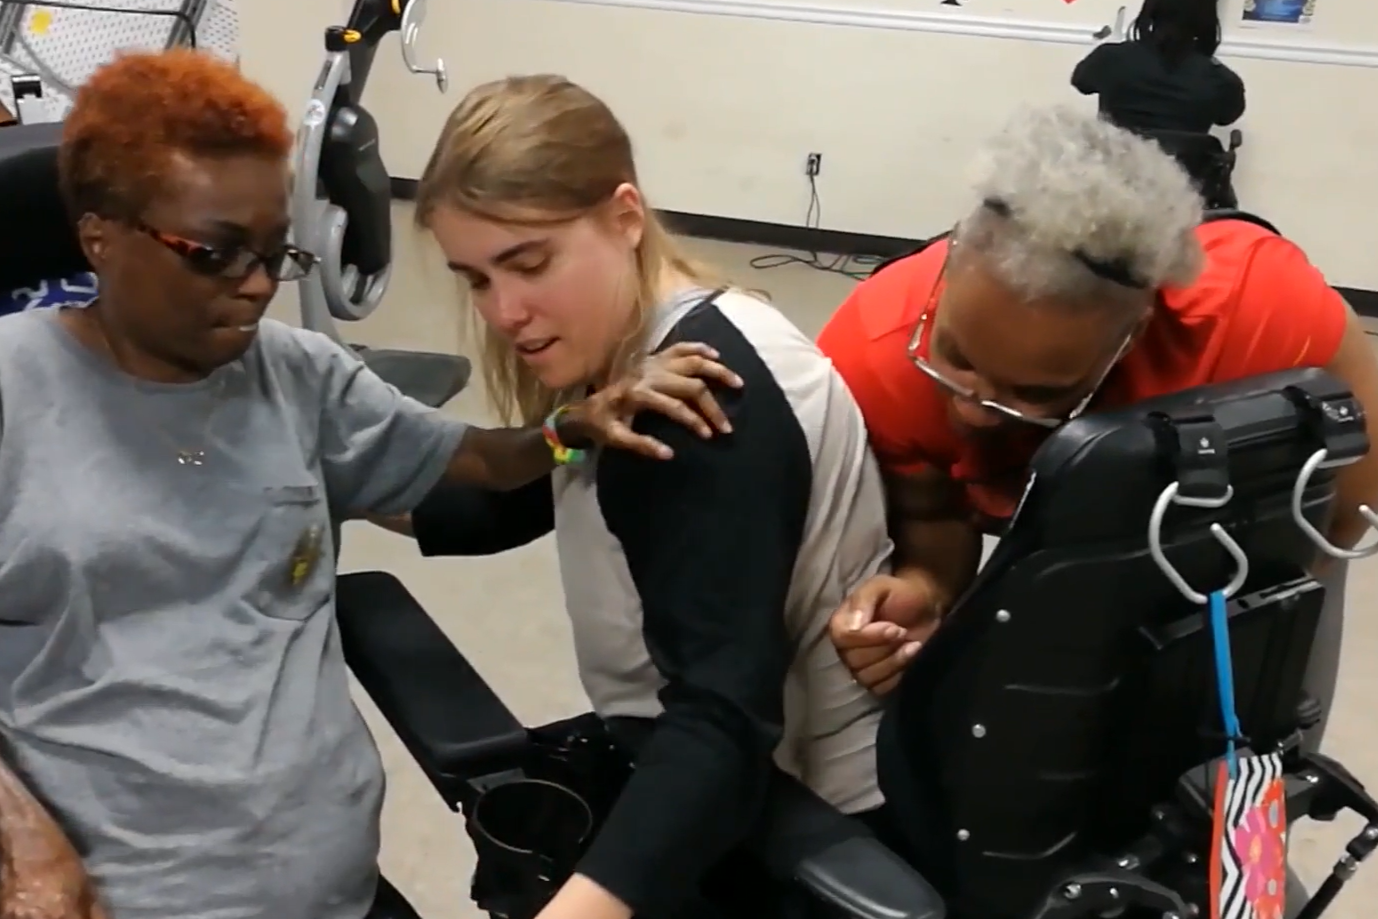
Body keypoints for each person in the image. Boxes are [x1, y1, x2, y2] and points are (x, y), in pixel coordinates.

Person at [0, 51, 741, 919]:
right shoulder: (15, 393)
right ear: (100, 237)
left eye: (273, 253)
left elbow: (475, 466)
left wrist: (570, 430)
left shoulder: (296, 374)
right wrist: (20, 838)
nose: (252, 285)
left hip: (330, 892)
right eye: (213, 252)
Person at [404, 74, 894, 919]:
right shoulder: (661, 353)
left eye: (529, 263)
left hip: (787, 824)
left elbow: (724, 727)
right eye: (475, 280)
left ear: (624, 216)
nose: (505, 312)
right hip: (722, 771)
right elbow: (523, 494)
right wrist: (329, 474)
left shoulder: (696, 404)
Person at [818, 105, 1378, 735]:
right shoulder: (876, 348)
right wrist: (927, 591)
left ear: (1133, 334)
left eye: (1031, 391)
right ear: (949, 266)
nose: (970, 409)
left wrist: (1246, 623)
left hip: (1231, 541)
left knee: (1259, 740)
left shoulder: (1256, 311)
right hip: (1064, 539)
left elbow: (1347, 498)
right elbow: (932, 513)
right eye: (957, 358)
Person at [1072, 0, 1245, 136]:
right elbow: (1226, 117)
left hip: (1112, 175)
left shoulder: (1110, 57)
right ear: (1208, 18)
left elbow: (1080, 82)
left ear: (1152, 9)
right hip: (1184, 179)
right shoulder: (1222, 82)